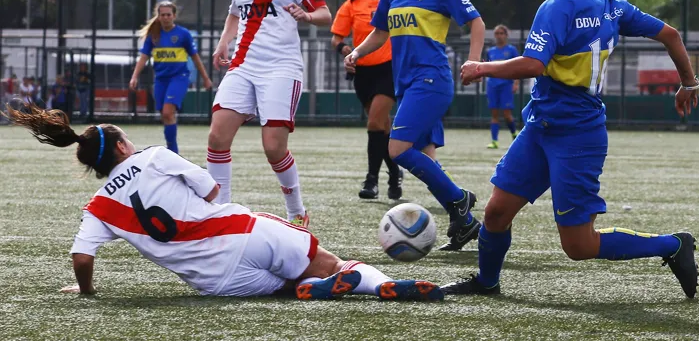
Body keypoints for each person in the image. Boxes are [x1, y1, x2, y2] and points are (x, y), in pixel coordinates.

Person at [443, 0, 699, 298]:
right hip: (542, 128)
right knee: (495, 212)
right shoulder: (613, 6)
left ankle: (673, 244)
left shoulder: (556, 8)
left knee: (578, 246)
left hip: (577, 135)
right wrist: (688, 83)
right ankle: (487, 282)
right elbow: (672, 34)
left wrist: (482, 68)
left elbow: (532, 64)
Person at [3, 105, 444, 302]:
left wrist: (85, 289)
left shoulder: (99, 206)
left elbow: (82, 255)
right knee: (330, 262)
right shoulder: (154, 156)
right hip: (240, 233)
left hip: (216, 281)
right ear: (120, 148)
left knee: (291, 287)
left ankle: (308, 289)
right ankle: (379, 283)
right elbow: (213, 191)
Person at [344, 0, 486, 251]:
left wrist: (475, 61)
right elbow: (380, 32)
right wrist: (357, 52)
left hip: (431, 78)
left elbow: (476, 23)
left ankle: (459, 199)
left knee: (397, 149)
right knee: (424, 154)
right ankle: (464, 222)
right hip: (406, 82)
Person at [207, 0, 332, 229]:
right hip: (243, 65)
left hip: (281, 67)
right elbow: (236, 13)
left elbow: (324, 14)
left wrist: (306, 16)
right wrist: (224, 42)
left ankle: (297, 212)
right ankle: (221, 212)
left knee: (274, 147)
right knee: (217, 136)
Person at [331, 0, 403, 200]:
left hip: (389, 69)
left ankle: (371, 180)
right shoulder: (352, 3)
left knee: (374, 122)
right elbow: (337, 39)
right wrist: (347, 52)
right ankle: (395, 172)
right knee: (382, 127)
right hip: (362, 72)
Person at [129, 1, 212, 154]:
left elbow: (195, 57)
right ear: (158, 17)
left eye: (168, 14)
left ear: (174, 16)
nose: (166, 17)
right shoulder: (153, 36)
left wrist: (205, 78)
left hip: (179, 77)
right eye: (162, 15)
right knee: (166, 116)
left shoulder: (183, 34)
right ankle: (172, 150)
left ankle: (173, 153)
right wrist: (134, 76)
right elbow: (143, 57)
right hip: (161, 80)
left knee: (168, 112)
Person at [484, 24, 520, 149]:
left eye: (501, 33)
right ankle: (494, 141)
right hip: (492, 85)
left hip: (506, 85)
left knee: (506, 114)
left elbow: (517, 68)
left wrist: (516, 83)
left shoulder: (511, 50)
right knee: (494, 114)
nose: (499, 36)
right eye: (497, 33)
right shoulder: (490, 51)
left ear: (506, 35)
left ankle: (514, 134)